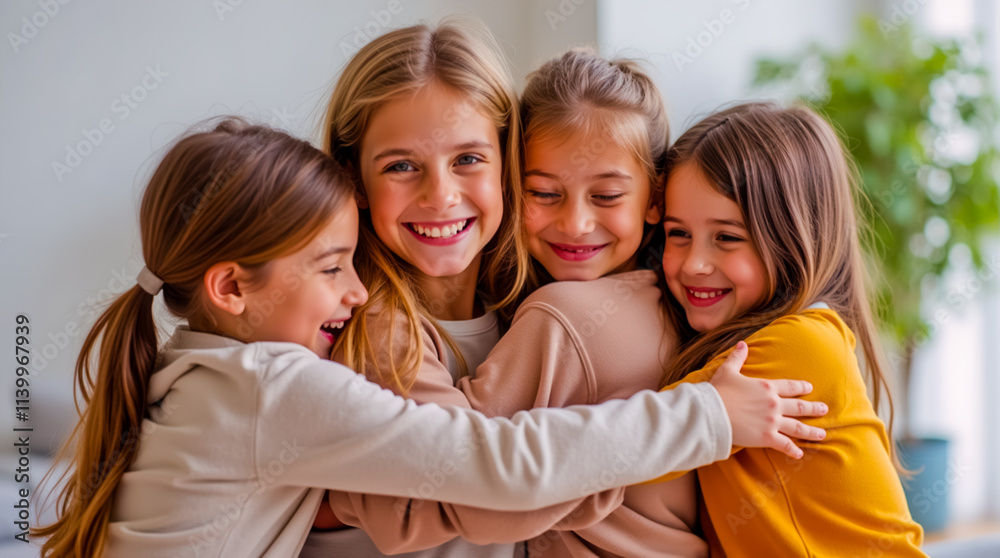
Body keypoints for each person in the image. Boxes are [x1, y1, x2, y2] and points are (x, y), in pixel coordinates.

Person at [32, 118, 808, 558]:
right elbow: (496, 464)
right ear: (231, 289)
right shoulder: (273, 384)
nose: (358, 291)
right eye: (334, 267)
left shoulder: (198, 373)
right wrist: (706, 416)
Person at [314, 27, 827, 557]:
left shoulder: (534, 300)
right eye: (400, 165)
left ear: (502, 163)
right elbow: (446, 495)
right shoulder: (385, 328)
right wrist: (678, 429)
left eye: (467, 159)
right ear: (353, 179)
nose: (441, 195)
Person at [653, 102, 926, 556]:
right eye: (677, 233)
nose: (693, 264)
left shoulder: (798, 344)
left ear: (794, 237)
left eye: (726, 237)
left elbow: (635, 448)